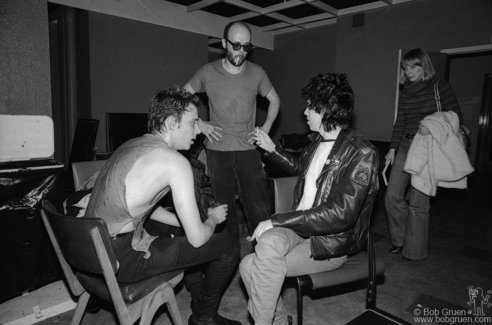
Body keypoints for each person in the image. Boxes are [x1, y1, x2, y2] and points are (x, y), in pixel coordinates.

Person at [85, 86, 241, 325]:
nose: (198, 130)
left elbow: (140, 205)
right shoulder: (174, 163)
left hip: (91, 253)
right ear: (170, 123)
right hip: (121, 260)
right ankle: (204, 318)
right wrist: (212, 218)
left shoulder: (131, 145)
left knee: (180, 224)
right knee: (229, 243)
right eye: (193, 123)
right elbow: (198, 240)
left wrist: (187, 223)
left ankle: (197, 294)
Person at [239, 72, 379, 325]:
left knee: (250, 267)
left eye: (311, 107)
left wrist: (278, 220)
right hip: (299, 228)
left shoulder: (362, 152)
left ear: (326, 109)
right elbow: (301, 171)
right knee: (264, 250)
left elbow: (341, 214)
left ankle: (275, 322)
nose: (305, 112)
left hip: (328, 243)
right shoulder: (316, 143)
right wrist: (272, 150)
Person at [183, 21, 281, 239]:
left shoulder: (257, 73)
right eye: (236, 45)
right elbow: (179, 98)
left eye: (247, 47)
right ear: (224, 43)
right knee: (223, 209)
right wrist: (199, 124)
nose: (241, 52)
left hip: (248, 150)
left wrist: (265, 128)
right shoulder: (208, 72)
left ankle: (264, 255)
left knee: (258, 208)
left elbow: (275, 100)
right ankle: (227, 258)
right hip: (218, 151)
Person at [385, 48, 463, 261]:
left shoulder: (440, 86)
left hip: (427, 147)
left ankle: (414, 251)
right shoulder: (406, 92)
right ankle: (400, 240)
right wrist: (392, 149)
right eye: (405, 67)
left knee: (418, 203)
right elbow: (400, 121)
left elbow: (456, 116)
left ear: (424, 66)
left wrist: (433, 127)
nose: (408, 71)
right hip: (405, 145)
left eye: (413, 66)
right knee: (392, 196)